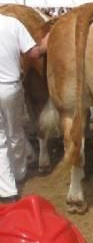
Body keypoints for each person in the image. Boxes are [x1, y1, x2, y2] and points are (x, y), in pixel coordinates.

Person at [0, 14, 48, 203]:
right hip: (11, 87)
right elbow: (34, 53)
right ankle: (18, 174)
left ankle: (7, 188)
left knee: (1, 139)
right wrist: (46, 42)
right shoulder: (12, 23)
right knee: (15, 132)